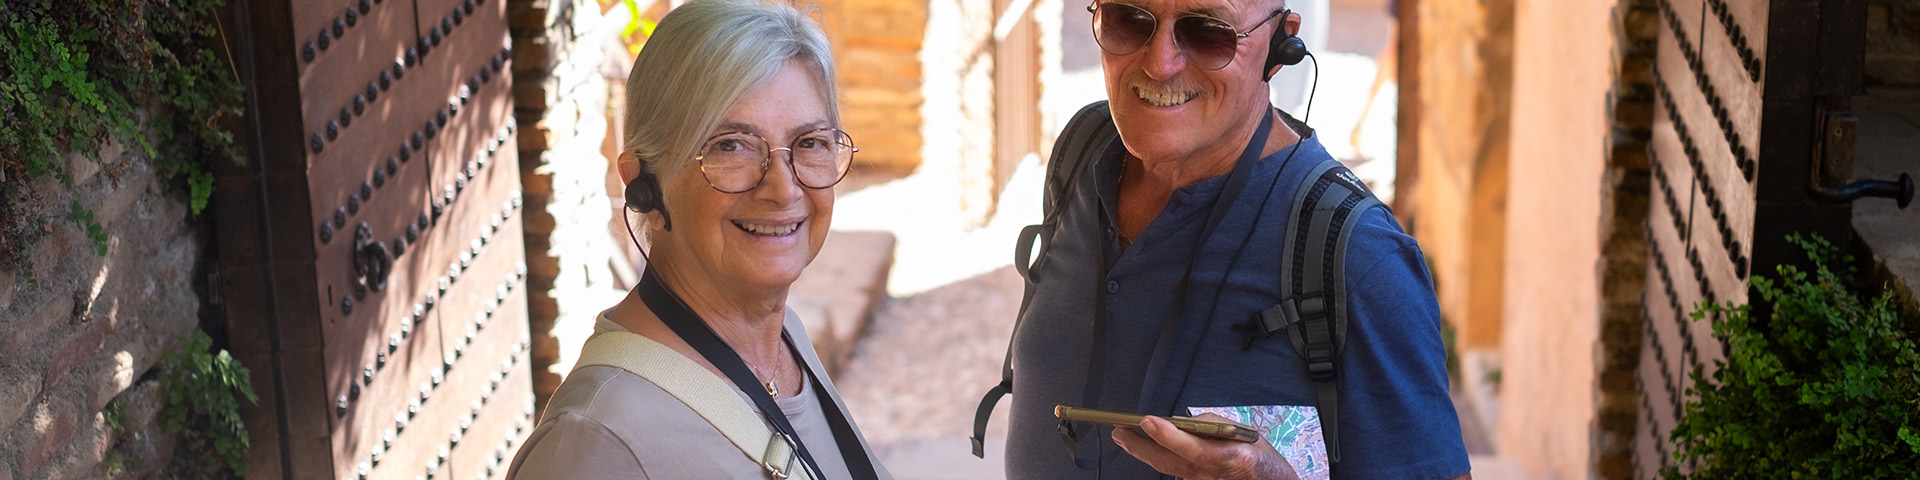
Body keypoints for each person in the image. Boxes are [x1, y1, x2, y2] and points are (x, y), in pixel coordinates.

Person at [1003, 0, 1472, 478]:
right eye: (1129, 20)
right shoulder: (1085, 147)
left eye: (1208, 34)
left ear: (1279, 44)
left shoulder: (1362, 258)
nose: (1159, 64)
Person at [506, 1, 889, 478]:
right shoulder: (595, 443)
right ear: (644, 185)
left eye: (810, 142)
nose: (783, 188)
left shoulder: (782, 342)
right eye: (730, 145)